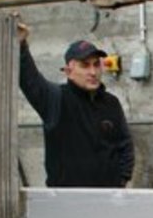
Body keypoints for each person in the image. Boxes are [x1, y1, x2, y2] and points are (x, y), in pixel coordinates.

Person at [17, 22, 135, 187]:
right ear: (69, 71)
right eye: (85, 65)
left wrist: (121, 180)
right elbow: (30, 80)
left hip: (108, 197)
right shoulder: (55, 99)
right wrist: (21, 44)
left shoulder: (111, 103)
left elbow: (125, 144)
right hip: (66, 198)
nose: (93, 72)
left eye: (96, 64)